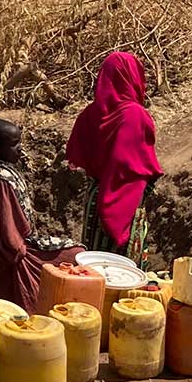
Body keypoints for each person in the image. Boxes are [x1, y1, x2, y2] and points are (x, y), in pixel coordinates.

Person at [0, 118, 79, 311]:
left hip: (16, 243)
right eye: (14, 144)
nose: (20, 148)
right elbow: (9, 239)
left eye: (19, 142)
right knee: (75, 255)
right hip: (5, 252)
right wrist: (25, 249)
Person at [66, 51, 163, 262]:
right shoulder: (135, 115)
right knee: (124, 270)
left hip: (94, 199)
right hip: (127, 201)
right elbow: (132, 167)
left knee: (93, 263)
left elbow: (78, 156)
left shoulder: (89, 114)